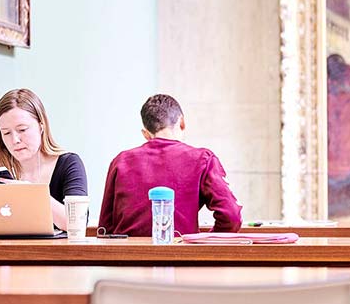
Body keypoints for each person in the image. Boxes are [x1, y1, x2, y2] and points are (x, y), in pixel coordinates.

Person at [98, 94, 242, 236]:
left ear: (146, 134)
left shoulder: (121, 161)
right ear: (182, 122)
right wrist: (204, 242)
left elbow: (105, 228)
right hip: (180, 256)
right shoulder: (202, 159)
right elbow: (232, 216)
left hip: (126, 257)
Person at [0, 88, 88, 237]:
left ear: (41, 126)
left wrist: (31, 194)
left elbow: (75, 223)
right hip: (1, 256)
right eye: (6, 133)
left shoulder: (68, 164)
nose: (15, 140)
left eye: (22, 130)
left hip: (53, 257)